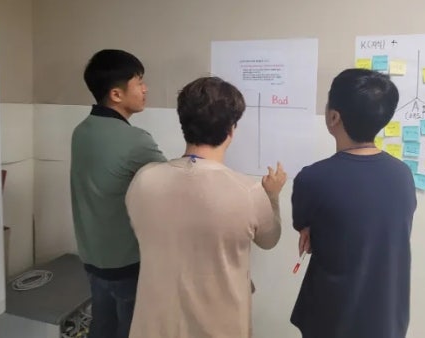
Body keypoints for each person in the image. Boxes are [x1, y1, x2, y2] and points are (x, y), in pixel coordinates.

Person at [125, 76, 285, 338]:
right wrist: (273, 196)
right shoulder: (248, 191)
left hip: (155, 325)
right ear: (231, 130)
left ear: (183, 123)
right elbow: (270, 239)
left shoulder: (144, 179)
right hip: (219, 328)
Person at [290, 68, 418, 338]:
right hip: (387, 317)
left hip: (332, 319)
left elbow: (307, 233)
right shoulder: (403, 174)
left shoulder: (313, 178)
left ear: (333, 117)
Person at [70, 49, 167, 338]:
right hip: (126, 262)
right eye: (139, 82)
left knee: (102, 326)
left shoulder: (81, 131)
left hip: (91, 257)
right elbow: (172, 185)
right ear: (116, 94)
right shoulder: (135, 140)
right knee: (133, 330)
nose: (145, 89)